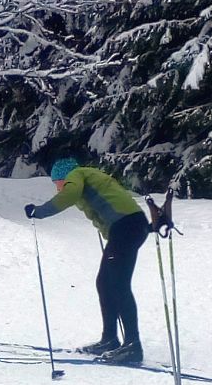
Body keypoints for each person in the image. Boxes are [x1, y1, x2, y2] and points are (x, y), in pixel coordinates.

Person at [25, 156, 151, 365]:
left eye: (56, 182)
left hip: (125, 228)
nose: (57, 187)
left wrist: (39, 211)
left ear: (62, 177)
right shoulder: (90, 176)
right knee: (106, 283)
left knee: (118, 285)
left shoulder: (76, 175)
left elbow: (69, 194)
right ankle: (110, 339)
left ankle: (132, 346)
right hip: (129, 227)